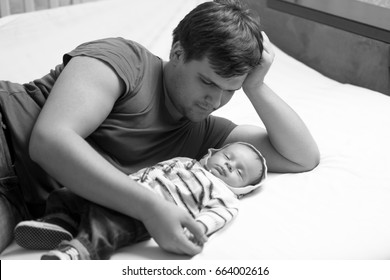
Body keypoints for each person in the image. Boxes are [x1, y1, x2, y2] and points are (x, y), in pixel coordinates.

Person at [0, 0, 319, 255]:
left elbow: (300, 157)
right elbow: (49, 141)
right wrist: (150, 207)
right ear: (177, 52)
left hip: (20, 200)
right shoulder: (126, 60)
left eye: (230, 89)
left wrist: (256, 86)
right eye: (207, 81)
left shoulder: (204, 135)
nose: (215, 100)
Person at [14, 142, 267, 260]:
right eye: (228, 156)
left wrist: (199, 228)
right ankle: (60, 223)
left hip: (146, 218)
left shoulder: (224, 194)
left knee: (107, 225)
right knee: (69, 194)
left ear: (244, 190)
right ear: (212, 153)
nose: (228, 165)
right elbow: (145, 173)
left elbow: (217, 214)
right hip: (123, 195)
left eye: (239, 171)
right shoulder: (184, 161)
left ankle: (79, 250)